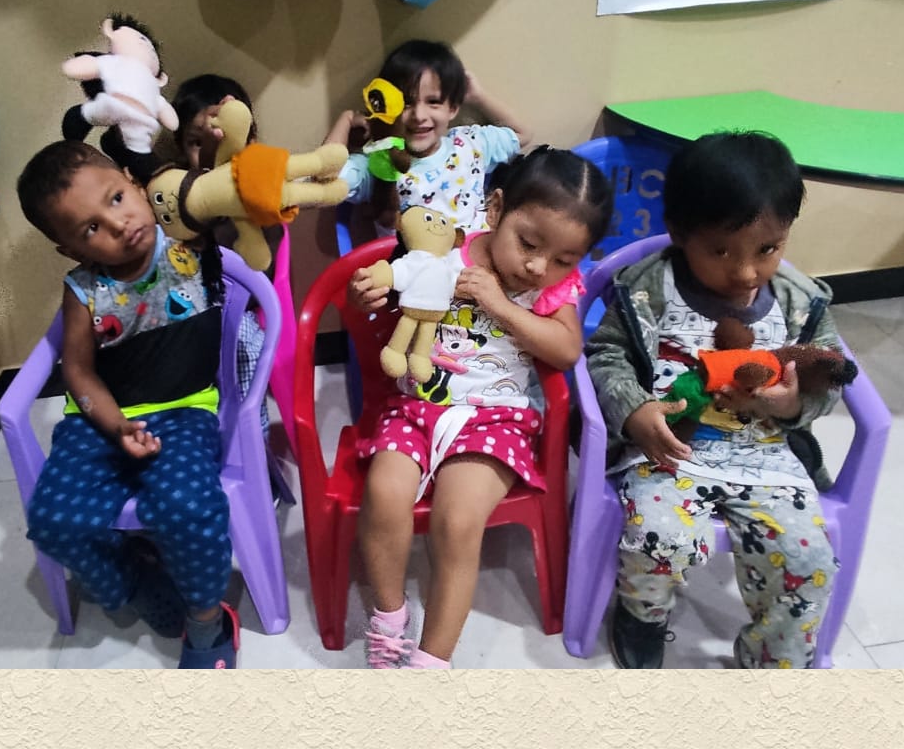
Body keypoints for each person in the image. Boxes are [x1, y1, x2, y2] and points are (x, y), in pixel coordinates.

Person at [584, 131, 847, 669]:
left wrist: (790, 405)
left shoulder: (800, 303)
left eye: (768, 249)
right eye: (721, 250)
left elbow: (830, 375)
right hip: (668, 449)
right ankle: (642, 615)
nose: (746, 272)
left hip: (767, 457)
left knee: (808, 559)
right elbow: (606, 354)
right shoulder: (648, 288)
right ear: (680, 232)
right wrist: (634, 410)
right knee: (658, 536)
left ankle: (774, 660)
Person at [353, 148, 610, 667]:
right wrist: (372, 294)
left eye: (564, 259)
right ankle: (389, 616)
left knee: (458, 520)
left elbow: (566, 350)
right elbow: (396, 285)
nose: (539, 267)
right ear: (495, 209)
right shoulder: (444, 251)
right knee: (383, 494)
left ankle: (433, 660)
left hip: (497, 419)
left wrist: (498, 303)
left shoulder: (554, 289)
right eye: (529, 244)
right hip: (415, 404)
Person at [16, 141, 239, 667]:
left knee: (186, 506)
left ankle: (206, 621)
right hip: (100, 420)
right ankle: (136, 581)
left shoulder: (189, 241)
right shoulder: (83, 288)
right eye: (91, 227)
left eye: (116, 198)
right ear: (70, 250)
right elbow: (78, 371)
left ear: (133, 180)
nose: (118, 224)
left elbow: (225, 193)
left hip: (184, 409)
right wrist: (116, 427)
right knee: (53, 520)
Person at [327, 38, 531, 242]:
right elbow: (322, 179)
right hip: (414, 261)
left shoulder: (470, 143)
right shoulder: (380, 163)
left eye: (433, 102)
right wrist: (346, 119)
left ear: (452, 108)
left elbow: (522, 134)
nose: (419, 116)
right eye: (406, 103)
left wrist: (478, 97)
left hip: (476, 255)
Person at [171, 73, 269, 430]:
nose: (211, 153)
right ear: (180, 147)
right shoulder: (175, 192)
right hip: (180, 310)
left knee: (244, 348)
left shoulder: (253, 193)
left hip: (236, 313)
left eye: (221, 140)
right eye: (196, 143)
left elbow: (262, 272)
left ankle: (252, 440)